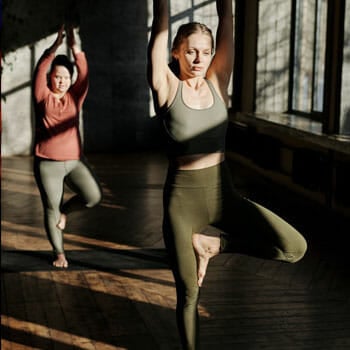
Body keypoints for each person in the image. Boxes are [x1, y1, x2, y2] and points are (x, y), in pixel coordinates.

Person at [147, 1, 307, 349]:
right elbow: (160, 22)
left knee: (295, 248)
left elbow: (226, 16)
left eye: (205, 52)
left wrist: (220, 243)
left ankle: (215, 246)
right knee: (189, 294)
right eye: (190, 52)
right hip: (181, 207)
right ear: (176, 52)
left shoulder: (218, 82)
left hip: (223, 195)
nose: (199, 59)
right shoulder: (166, 87)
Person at [32, 25, 102, 268]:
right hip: (47, 164)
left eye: (65, 77)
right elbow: (40, 68)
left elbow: (84, 72)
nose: (61, 81)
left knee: (93, 196)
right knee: (50, 207)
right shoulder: (42, 96)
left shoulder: (75, 96)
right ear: (51, 77)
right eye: (57, 76)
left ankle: (65, 212)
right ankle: (59, 253)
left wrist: (75, 48)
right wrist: (55, 45)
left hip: (74, 161)